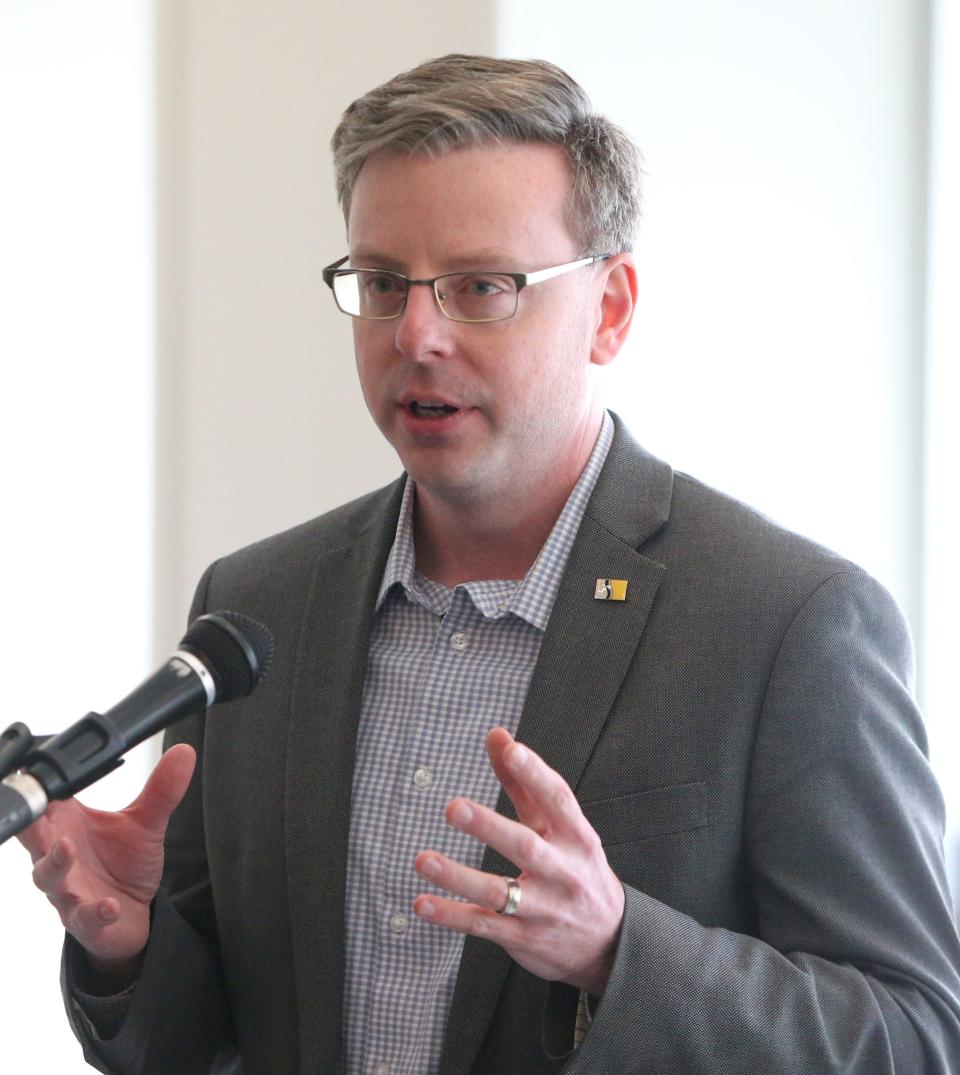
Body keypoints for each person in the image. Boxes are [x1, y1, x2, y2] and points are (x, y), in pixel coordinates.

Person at [19, 54, 960, 1074]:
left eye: (481, 288)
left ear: (609, 308)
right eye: (382, 283)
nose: (416, 336)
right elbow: (210, 1041)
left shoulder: (788, 621)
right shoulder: (255, 610)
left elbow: (914, 1033)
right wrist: (129, 945)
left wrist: (616, 950)